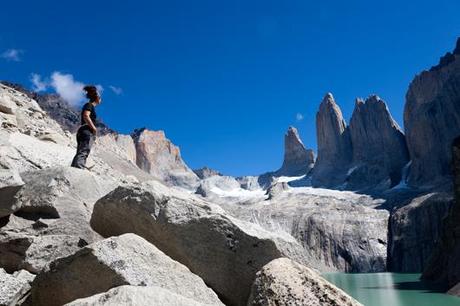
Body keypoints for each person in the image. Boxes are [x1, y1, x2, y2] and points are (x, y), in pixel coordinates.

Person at [71, 85, 101, 169]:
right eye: (100, 97)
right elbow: (86, 116)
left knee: (80, 151)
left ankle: (74, 169)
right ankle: (79, 168)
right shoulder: (89, 105)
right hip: (87, 131)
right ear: (97, 98)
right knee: (84, 151)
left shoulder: (88, 105)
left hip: (82, 131)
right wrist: (94, 129)